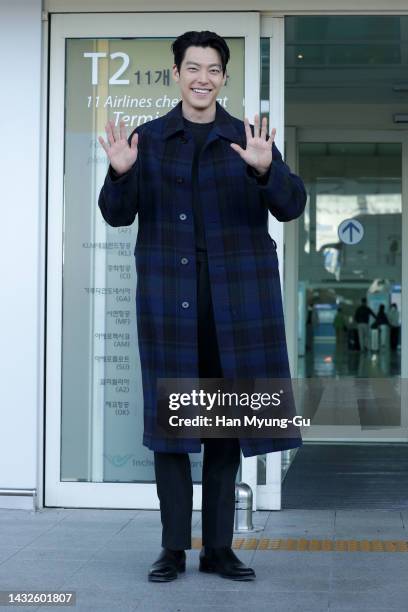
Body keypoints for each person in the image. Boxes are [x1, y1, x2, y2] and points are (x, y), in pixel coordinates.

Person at [98, 31, 307, 583]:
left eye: (213, 69)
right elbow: (117, 216)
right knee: (171, 433)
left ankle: (218, 548)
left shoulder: (247, 138)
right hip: (171, 305)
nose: (202, 78)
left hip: (237, 308)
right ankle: (172, 548)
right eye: (193, 67)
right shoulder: (147, 139)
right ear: (176, 72)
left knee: (224, 430)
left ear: (223, 78)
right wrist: (120, 173)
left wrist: (266, 170)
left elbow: (290, 206)